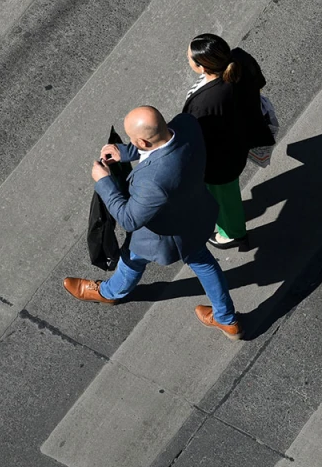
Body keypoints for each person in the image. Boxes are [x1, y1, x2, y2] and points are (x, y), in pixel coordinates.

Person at [62, 106, 241, 340]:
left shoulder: (153, 182)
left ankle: (109, 292)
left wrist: (104, 181)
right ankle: (227, 320)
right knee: (204, 263)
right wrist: (126, 152)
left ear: (144, 142)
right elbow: (157, 147)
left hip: (162, 237)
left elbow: (129, 218)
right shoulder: (187, 125)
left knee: (132, 259)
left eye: (133, 140)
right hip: (196, 215)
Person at [183, 33, 274, 250]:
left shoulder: (206, 102)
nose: (187, 60)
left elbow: (197, 136)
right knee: (227, 194)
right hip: (240, 140)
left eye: (189, 58)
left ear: (202, 67)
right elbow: (259, 83)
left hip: (220, 162)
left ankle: (234, 233)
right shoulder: (240, 59)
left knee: (224, 198)